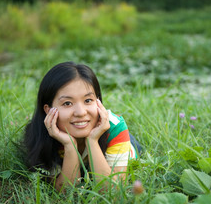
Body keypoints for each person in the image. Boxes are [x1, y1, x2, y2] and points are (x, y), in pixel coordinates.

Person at [23, 62, 140, 191]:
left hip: (116, 143)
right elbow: (66, 192)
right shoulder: (41, 135)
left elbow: (112, 190)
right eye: (67, 103)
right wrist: (69, 145)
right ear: (48, 109)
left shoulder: (115, 128)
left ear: (98, 101)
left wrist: (92, 140)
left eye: (88, 100)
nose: (81, 112)